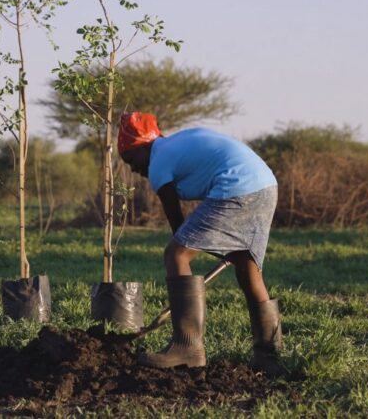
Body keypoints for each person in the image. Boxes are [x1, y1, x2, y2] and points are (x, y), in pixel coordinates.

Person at [117, 112, 285, 376]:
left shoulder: (158, 160)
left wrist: (185, 249)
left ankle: (187, 348)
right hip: (265, 186)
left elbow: (177, 225)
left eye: (131, 159)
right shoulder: (172, 145)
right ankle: (270, 357)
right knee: (248, 268)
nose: (133, 169)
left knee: (176, 255)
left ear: (143, 146)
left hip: (238, 187)